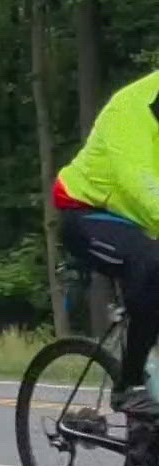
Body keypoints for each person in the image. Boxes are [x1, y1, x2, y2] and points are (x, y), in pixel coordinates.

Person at [53, 69, 159, 419]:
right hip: (88, 214)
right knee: (149, 263)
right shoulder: (130, 110)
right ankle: (130, 385)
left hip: (142, 223)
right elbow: (142, 188)